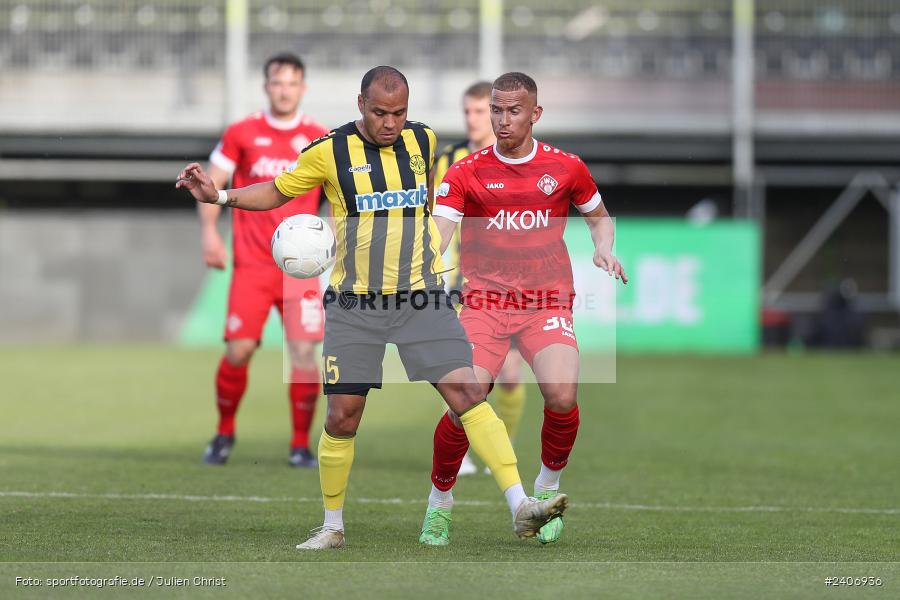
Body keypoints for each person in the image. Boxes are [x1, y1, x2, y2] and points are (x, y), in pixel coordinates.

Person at [176, 66, 568, 550]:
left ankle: (520, 504)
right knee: (343, 415)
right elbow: (280, 189)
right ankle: (333, 526)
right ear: (361, 104)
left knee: (468, 393)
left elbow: (449, 199)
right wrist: (221, 195)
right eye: (380, 113)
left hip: (421, 296)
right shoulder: (329, 151)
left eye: (399, 112)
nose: (390, 123)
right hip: (354, 303)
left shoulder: (422, 141)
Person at [419, 72, 627, 546]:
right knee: (464, 400)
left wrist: (604, 248)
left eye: (513, 111)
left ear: (535, 114)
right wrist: (424, 262)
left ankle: (546, 493)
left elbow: (597, 216)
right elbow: (441, 232)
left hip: (545, 300)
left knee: (562, 395)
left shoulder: (566, 167)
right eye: (496, 109)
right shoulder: (466, 171)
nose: (502, 119)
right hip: (484, 301)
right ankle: (439, 503)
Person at [199, 53, 329, 469]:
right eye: (277, 82)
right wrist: (209, 234)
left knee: (305, 354)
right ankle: (224, 433)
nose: (284, 90)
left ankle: (299, 445)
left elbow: (340, 195)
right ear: (266, 86)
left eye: (292, 83)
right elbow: (212, 185)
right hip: (253, 265)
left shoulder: (319, 138)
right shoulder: (242, 132)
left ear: (303, 88)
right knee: (238, 350)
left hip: (302, 271)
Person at [433, 81, 528, 477]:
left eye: (479, 112)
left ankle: (497, 447)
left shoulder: (517, 161)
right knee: (461, 370)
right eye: (467, 112)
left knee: (509, 375)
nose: (473, 120)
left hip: (508, 283)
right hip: (457, 281)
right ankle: (465, 453)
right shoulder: (448, 160)